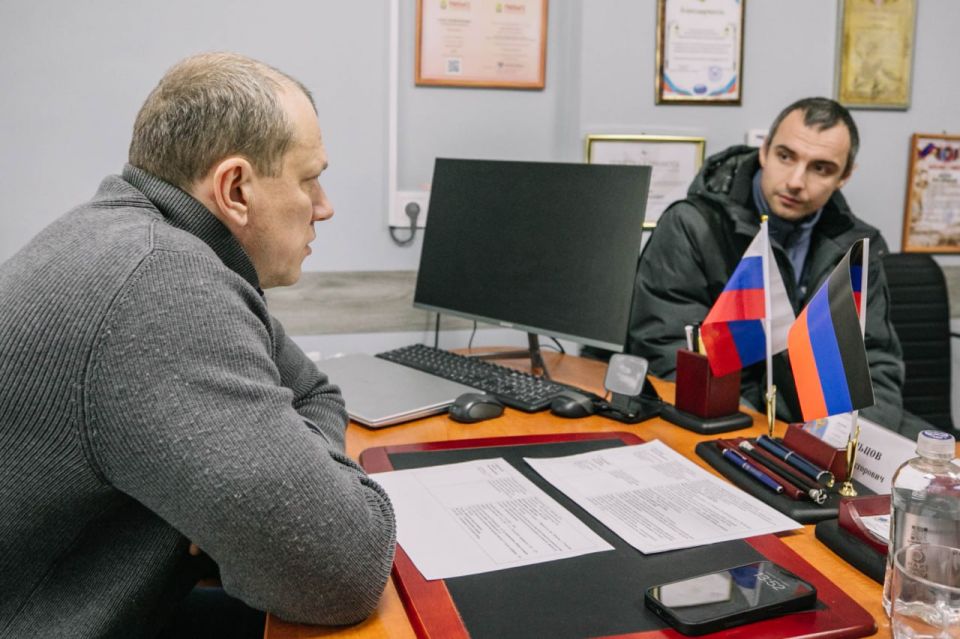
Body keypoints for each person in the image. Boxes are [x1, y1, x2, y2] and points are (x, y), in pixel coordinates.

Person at [0, 52, 396, 638]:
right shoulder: (160, 283)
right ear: (235, 188)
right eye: (309, 178)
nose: (324, 206)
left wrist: (289, 479)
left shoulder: (146, 243)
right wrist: (287, 501)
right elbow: (341, 572)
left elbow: (315, 392)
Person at [626, 97, 910, 433]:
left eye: (821, 168)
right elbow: (667, 354)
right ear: (764, 151)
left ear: (844, 176)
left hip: (817, 430)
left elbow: (873, 363)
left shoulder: (857, 246)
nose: (796, 181)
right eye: (785, 157)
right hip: (724, 422)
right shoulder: (694, 226)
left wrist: (850, 438)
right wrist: (762, 436)